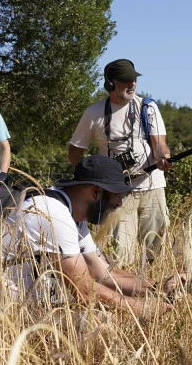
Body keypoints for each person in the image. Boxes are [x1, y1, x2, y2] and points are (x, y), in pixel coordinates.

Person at [0, 155, 181, 320]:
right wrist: (142, 309)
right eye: (117, 195)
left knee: (105, 315)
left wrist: (158, 289)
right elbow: (83, 290)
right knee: (102, 321)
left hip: (26, 305)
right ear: (96, 192)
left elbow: (106, 275)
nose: (120, 203)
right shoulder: (53, 214)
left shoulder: (72, 214)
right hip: (2, 312)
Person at [68, 58, 172, 266]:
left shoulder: (148, 107)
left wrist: (164, 158)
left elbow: (159, 144)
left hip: (152, 186)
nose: (132, 84)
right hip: (117, 194)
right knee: (119, 254)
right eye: (126, 80)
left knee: (157, 249)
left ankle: (156, 290)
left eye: (134, 79)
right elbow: (75, 151)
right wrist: (91, 182)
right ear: (110, 83)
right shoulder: (94, 113)